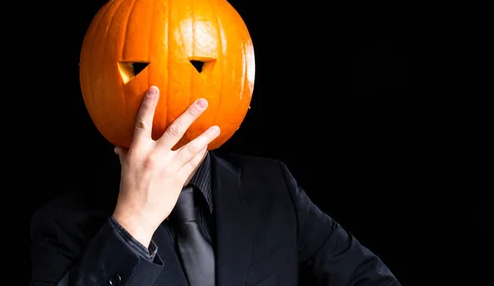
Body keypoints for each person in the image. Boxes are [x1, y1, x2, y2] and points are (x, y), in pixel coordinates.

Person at [29, 86, 400, 286]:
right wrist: (132, 224)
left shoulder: (272, 186)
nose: (167, 85)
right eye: (138, 70)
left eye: (198, 67)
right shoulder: (61, 224)